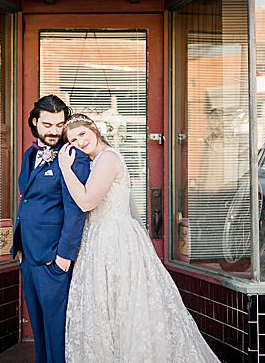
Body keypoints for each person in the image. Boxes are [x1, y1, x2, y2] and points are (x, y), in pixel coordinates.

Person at [57, 114, 220, 363]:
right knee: (107, 309)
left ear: (94, 129)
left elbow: (87, 200)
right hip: (100, 240)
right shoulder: (95, 161)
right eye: (72, 140)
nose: (79, 142)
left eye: (82, 134)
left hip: (115, 241)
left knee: (124, 306)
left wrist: (65, 168)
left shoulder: (108, 158)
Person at [11, 95, 91, 363]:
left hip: (54, 258)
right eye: (47, 124)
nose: (54, 131)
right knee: (39, 329)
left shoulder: (73, 158)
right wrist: (19, 246)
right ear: (35, 122)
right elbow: (28, 200)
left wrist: (63, 258)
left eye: (59, 124)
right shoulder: (29, 154)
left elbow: (75, 209)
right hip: (29, 256)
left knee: (59, 332)